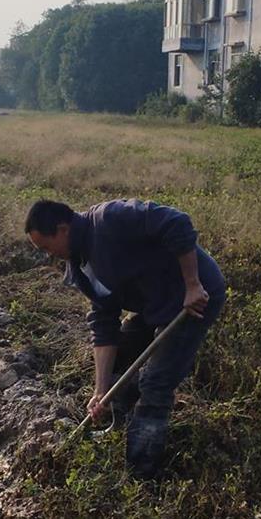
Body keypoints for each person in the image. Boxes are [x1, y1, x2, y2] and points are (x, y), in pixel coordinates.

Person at [25, 196, 226, 476]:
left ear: (62, 229)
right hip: (154, 305)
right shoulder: (80, 269)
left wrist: (192, 284)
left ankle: (141, 471)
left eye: (46, 247)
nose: (49, 255)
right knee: (117, 361)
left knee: (155, 382)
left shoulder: (110, 219)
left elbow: (177, 223)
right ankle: (118, 424)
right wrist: (100, 392)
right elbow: (104, 325)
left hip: (193, 300)